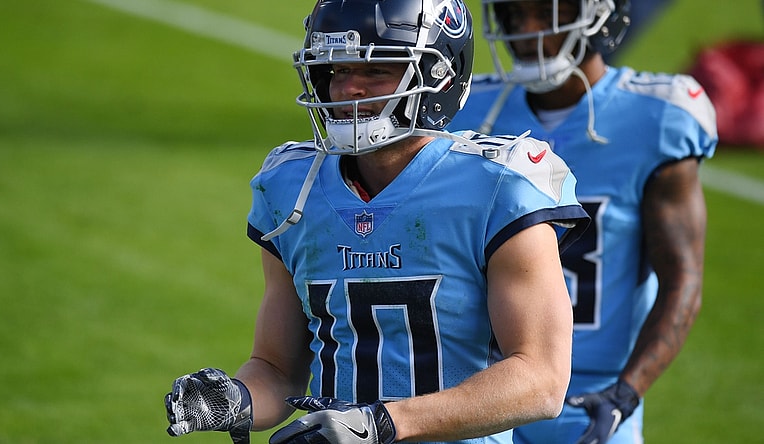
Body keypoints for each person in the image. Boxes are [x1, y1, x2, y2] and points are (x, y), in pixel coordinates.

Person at [163, 0, 590, 443]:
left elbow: (541, 380)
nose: (349, 88)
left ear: (438, 76)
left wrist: (382, 424)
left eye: (376, 71)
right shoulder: (291, 187)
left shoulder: (499, 184)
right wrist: (237, 399)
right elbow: (277, 369)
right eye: (338, 71)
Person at [448, 1, 718, 443]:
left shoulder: (656, 119)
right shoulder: (469, 111)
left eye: (545, 14)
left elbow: (682, 281)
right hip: (486, 386)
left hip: (593, 398)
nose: (526, 31)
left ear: (596, 14)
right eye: (514, 16)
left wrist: (624, 395)